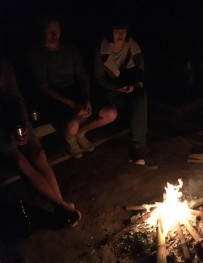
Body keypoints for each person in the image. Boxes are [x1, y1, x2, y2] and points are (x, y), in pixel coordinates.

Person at [0, 57, 81, 227]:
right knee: (20, 161)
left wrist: (21, 122)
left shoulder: (4, 66)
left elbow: (15, 97)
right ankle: (63, 207)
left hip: (12, 117)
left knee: (39, 154)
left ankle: (61, 209)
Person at [28, 18, 118, 158]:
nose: (54, 34)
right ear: (42, 31)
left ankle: (81, 132)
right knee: (72, 124)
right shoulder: (37, 54)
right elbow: (44, 87)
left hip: (75, 91)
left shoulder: (70, 49)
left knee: (110, 114)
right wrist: (71, 104)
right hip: (56, 97)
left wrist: (86, 99)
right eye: (50, 30)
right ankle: (71, 139)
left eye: (57, 30)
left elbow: (82, 76)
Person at [94, 19, 157, 169]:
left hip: (130, 85)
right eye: (117, 31)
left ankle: (138, 147)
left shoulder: (130, 43)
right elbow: (100, 78)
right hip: (112, 91)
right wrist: (117, 87)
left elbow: (139, 58)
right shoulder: (101, 49)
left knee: (140, 97)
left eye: (123, 31)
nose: (121, 34)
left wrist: (138, 79)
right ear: (110, 31)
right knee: (137, 104)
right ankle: (140, 148)